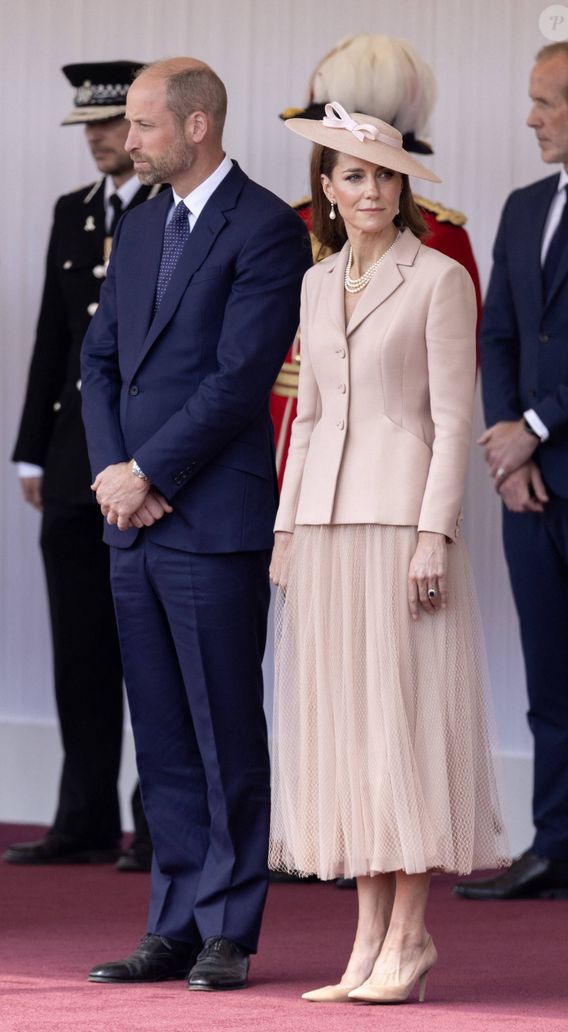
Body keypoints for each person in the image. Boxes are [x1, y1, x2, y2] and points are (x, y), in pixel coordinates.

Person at [269, 102, 509, 1004]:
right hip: (324, 531)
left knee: (402, 729)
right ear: (327, 191)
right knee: (346, 734)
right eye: (354, 175)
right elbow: (311, 418)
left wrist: (432, 535)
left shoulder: (440, 279)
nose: (372, 190)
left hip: (399, 526)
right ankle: (366, 943)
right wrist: (287, 529)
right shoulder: (316, 282)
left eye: (386, 175)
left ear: (405, 185)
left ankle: (409, 940)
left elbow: (453, 423)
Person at [80, 58, 311, 990]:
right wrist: (112, 473)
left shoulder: (262, 228)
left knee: (223, 730)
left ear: (198, 125)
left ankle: (227, 927)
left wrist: (149, 471)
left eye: (142, 125)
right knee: (164, 730)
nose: (129, 142)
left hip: (210, 519)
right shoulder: (138, 226)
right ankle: (171, 923)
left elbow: (239, 377)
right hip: (132, 519)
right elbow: (99, 362)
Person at [7, 61, 159, 873]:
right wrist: (30, 448)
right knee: (80, 646)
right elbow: (51, 340)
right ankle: (85, 813)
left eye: (113, 124)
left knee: (148, 647)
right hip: (71, 463)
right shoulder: (75, 212)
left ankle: (155, 818)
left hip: (145, 464)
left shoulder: (168, 212)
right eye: (91, 128)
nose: (102, 140)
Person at [454, 41, 568, 901]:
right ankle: (560, 845)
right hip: (526, 484)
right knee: (551, 675)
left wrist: (535, 425)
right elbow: (496, 331)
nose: (530, 118)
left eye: (546, 102)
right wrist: (506, 443)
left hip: (559, 456)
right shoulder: (524, 205)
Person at [270, 33, 483, 488]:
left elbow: (451, 383)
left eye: (383, 170)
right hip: (282, 433)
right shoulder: (290, 222)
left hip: (389, 456)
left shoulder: (441, 236)